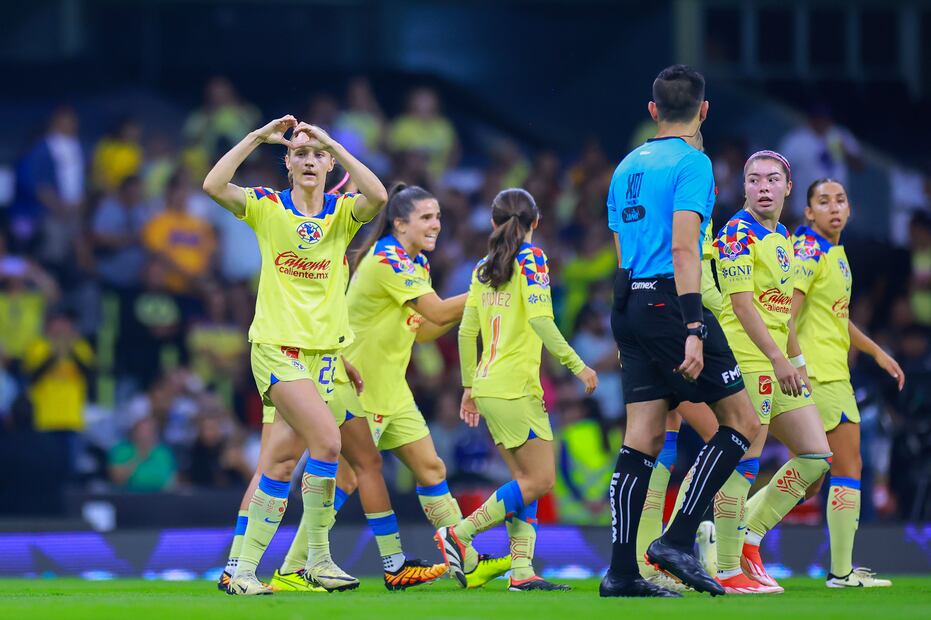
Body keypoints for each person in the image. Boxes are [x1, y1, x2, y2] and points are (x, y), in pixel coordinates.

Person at [202, 115, 387, 595]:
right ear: (286, 163)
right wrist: (257, 137)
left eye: (317, 154)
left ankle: (241, 572)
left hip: (323, 358)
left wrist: (335, 143)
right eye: (299, 154)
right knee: (328, 443)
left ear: (328, 163)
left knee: (280, 465)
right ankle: (317, 561)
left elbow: (380, 197)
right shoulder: (267, 207)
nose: (309, 161)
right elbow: (213, 184)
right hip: (278, 350)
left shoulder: (343, 213)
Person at [600, 64, 761, 598]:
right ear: (703, 110)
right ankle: (677, 539)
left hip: (626, 300)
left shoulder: (625, 166)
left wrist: (634, 311)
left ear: (652, 111)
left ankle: (621, 572)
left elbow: (624, 247)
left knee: (642, 437)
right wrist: (693, 324)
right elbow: (685, 246)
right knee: (740, 422)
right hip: (672, 300)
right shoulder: (693, 163)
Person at [342, 184, 511, 588]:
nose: (436, 224)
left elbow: (424, 330)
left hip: (392, 390)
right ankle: (299, 563)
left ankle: (465, 562)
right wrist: (486, 293)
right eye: (426, 218)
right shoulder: (387, 258)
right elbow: (435, 309)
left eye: (437, 217)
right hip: (359, 386)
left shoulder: (415, 262)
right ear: (400, 223)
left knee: (432, 468)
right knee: (347, 480)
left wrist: (473, 308)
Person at [436, 188, 598, 591]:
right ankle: (460, 533)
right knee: (541, 480)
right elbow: (543, 321)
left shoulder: (482, 268)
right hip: (515, 389)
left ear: (493, 223)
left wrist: (469, 387)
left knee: (523, 480)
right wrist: (578, 366)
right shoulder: (533, 259)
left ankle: (522, 569)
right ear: (536, 223)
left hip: (490, 386)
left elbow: (467, 332)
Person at [711, 151, 833, 593]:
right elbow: (742, 306)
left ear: (788, 187)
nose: (763, 187)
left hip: (778, 363)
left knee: (816, 456)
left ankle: (750, 536)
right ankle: (726, 569)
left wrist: (795, 365)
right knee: (743, 463)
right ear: (744, 188)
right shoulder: (735, 233)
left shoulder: (782, 235)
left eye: (772, 179)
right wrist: (778, 360)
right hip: (746, 359)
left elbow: (785, 317)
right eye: (754, 179)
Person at [781, 178, 903, 587]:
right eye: (823, 201)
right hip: (818, 375)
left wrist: (876, 352)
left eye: (840, 200)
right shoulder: (810, 250)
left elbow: (836, 318)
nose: (834, 207)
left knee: (819, 476)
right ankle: (742, 535)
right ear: (809, 212)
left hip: (836, 373)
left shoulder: (835, 252)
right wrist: (795, 365)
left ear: (849, 210)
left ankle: (837, 569)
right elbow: (786, 314)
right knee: (838, 467)